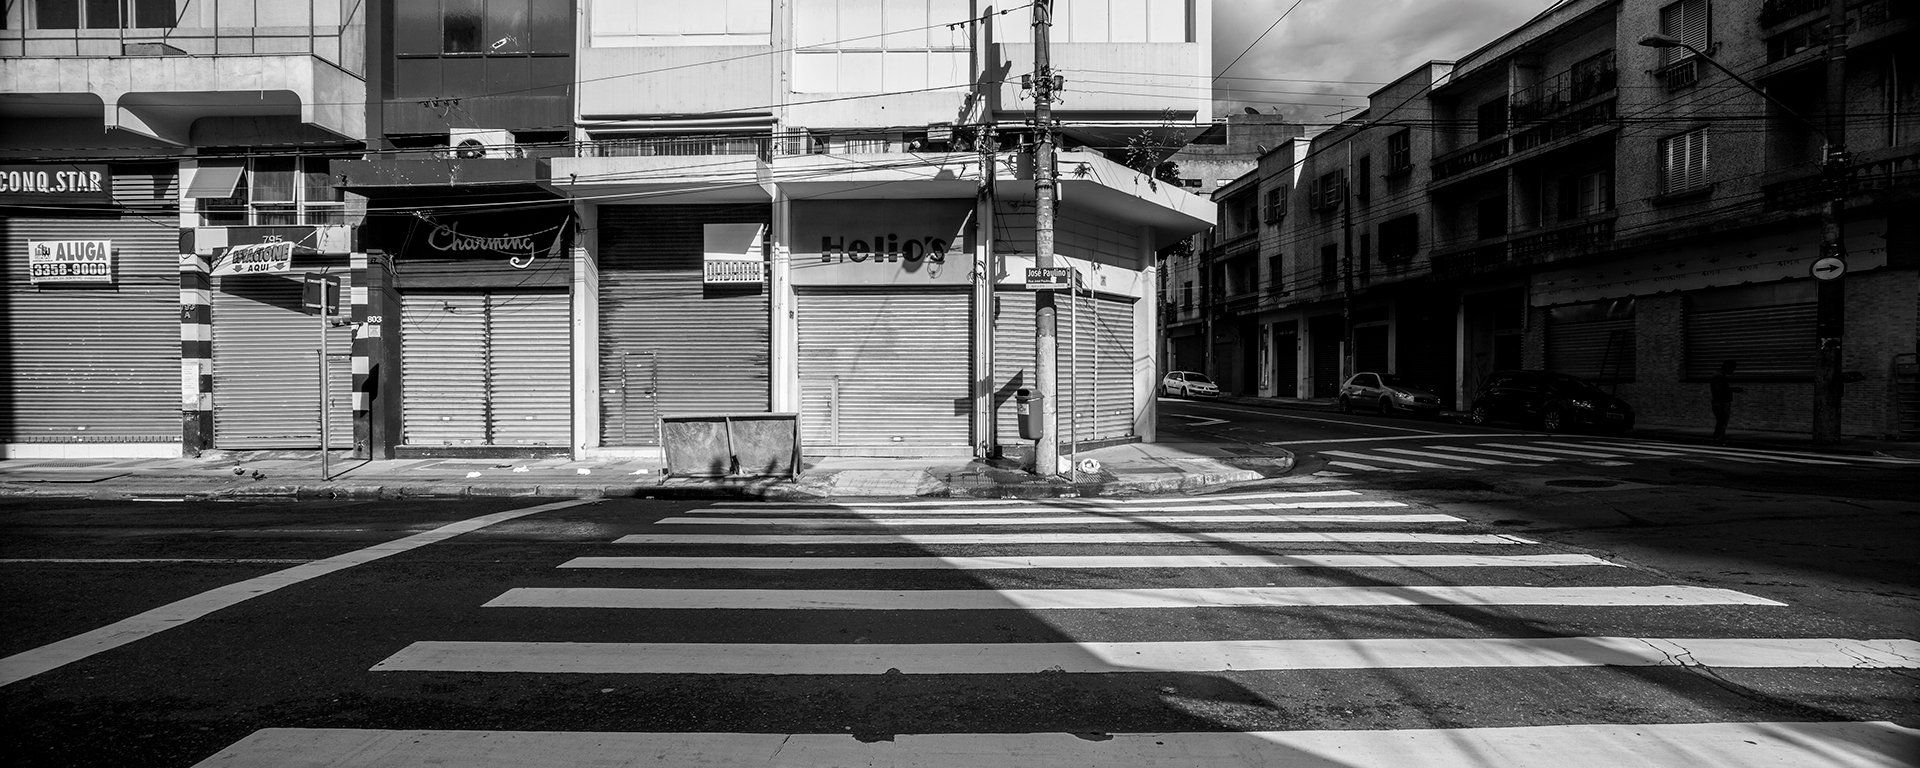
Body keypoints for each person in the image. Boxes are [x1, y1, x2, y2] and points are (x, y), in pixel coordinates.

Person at [1710, 360, 1743, 444]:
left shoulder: (1719, 376)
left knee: (1721, 422)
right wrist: (1733, 389)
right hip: (1721, 403)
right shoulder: (1719, 377)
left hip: (1720, 402)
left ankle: (1718, 438)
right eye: (1732, 369)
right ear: (1727, 367)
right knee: (1722, 422)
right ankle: (1718, 439)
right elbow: (1719, 389)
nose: (1733, 371)